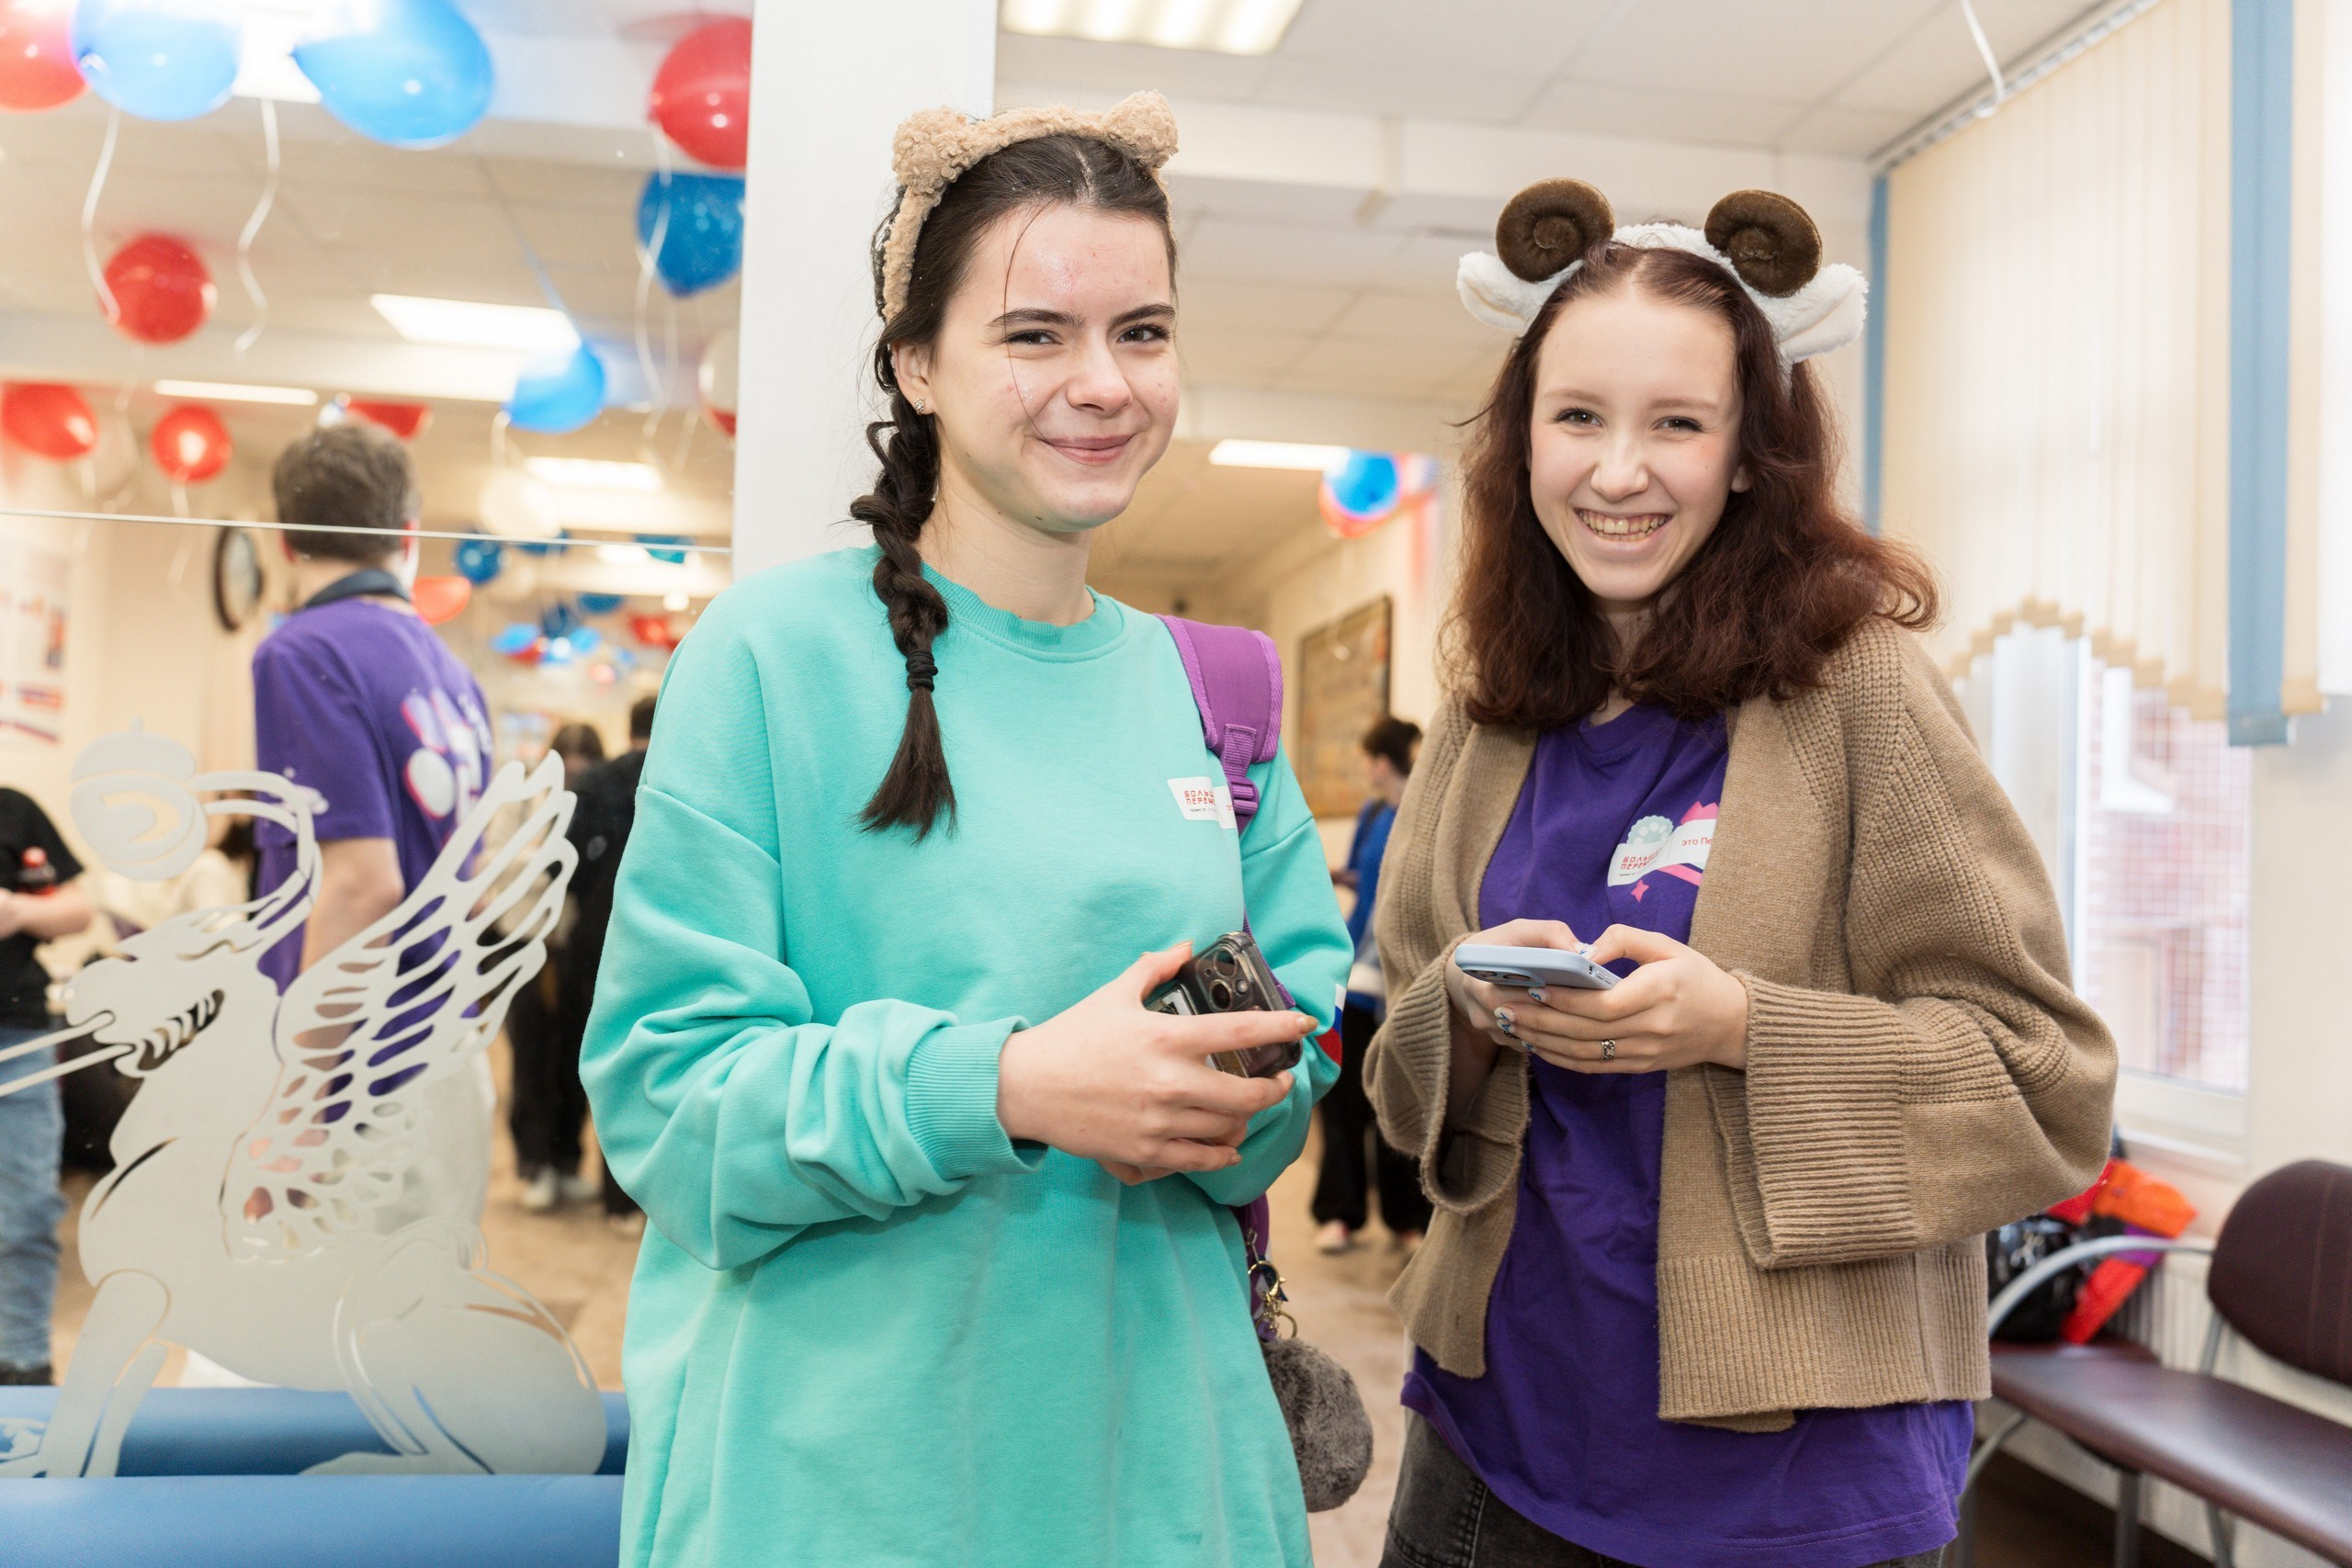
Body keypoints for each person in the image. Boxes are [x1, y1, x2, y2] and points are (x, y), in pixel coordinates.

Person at [580, 93, 1351, 1568]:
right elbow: (672, 1106)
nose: (1102, 382)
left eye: (1142, 329)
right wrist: (1010, 1085)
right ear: (920, 363)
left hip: (1168, 1483)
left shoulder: (1222, 693)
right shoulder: (770, 658)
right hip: (835, 1489)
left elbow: (1284, 1106)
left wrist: (1230, 1087)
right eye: (1034, 333)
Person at [1366, 180, 2118, 1568]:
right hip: (1498, 1429)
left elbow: (2043, 1081)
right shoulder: (1491, 697)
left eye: (1678, 423)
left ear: (1751, 452)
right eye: (1578, 415)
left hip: (1796, 1483)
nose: (1616, 468)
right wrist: (1465, 1008)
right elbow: (1406, 1034)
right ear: (1521, 437)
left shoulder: (1862, 688)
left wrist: (1744, 1028)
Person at [254, 422, 499, 1232]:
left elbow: (362, 885)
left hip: (359, 1071)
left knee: (306, 1344)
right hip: (444, 1050)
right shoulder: (452, 673)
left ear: (286, 541)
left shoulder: (302, 651)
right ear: (407, 534)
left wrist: (293, 1104)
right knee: (408, 1342)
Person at [1313, 715, 1430, 1254]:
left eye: (1367, 758)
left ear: (1382, 761)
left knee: (1397, 1102)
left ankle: (1408, 1221)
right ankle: (1339, 1214)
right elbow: (1370, 879)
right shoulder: (1372, 812)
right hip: (1357, 974)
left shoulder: (1429, 810)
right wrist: (1341, 876)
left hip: (1407, 978)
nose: (1365, 768)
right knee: (1342, 1099)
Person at [0, 786, 94, 1385]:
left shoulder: (15, 809)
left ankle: (24, 1369)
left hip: (17, 1035)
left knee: (27, 1209)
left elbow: (79, 909)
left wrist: (20, 911)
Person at [562, 694, 653, 1225]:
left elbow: (567, 866)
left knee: (602, 1062)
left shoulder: (596, 783)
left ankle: (608, 1192)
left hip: (595, 941)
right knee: (650, 1064)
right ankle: (643, 1196)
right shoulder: (680, 776)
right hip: (654, 942)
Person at [507, 720, 605, 1213]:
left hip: (576, 952)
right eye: (567, 764)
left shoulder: (598, 803)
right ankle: (534, 1164)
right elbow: (493, 863)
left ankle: (567, 1161)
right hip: (522, 942)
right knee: (530, 1058)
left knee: (573, 1062)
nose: (574, 775)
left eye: (584, 766)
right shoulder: (524, 802)